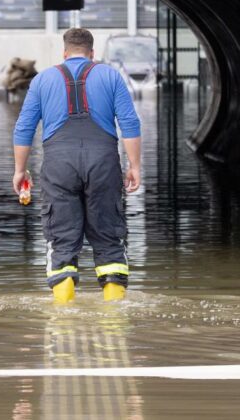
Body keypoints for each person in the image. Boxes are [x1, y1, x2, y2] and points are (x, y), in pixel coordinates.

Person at [12, 28, 142, 303]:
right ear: (92, 53)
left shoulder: (43, 80)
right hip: (103, 162)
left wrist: (20, 171)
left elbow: (24, 128)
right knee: (108, 238)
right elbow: (130, 124)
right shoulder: (109, 76)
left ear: (65, 52)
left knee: (61, 239)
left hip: (59, 164)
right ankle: (114, 315)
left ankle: (63, 315)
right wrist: (134, 166)